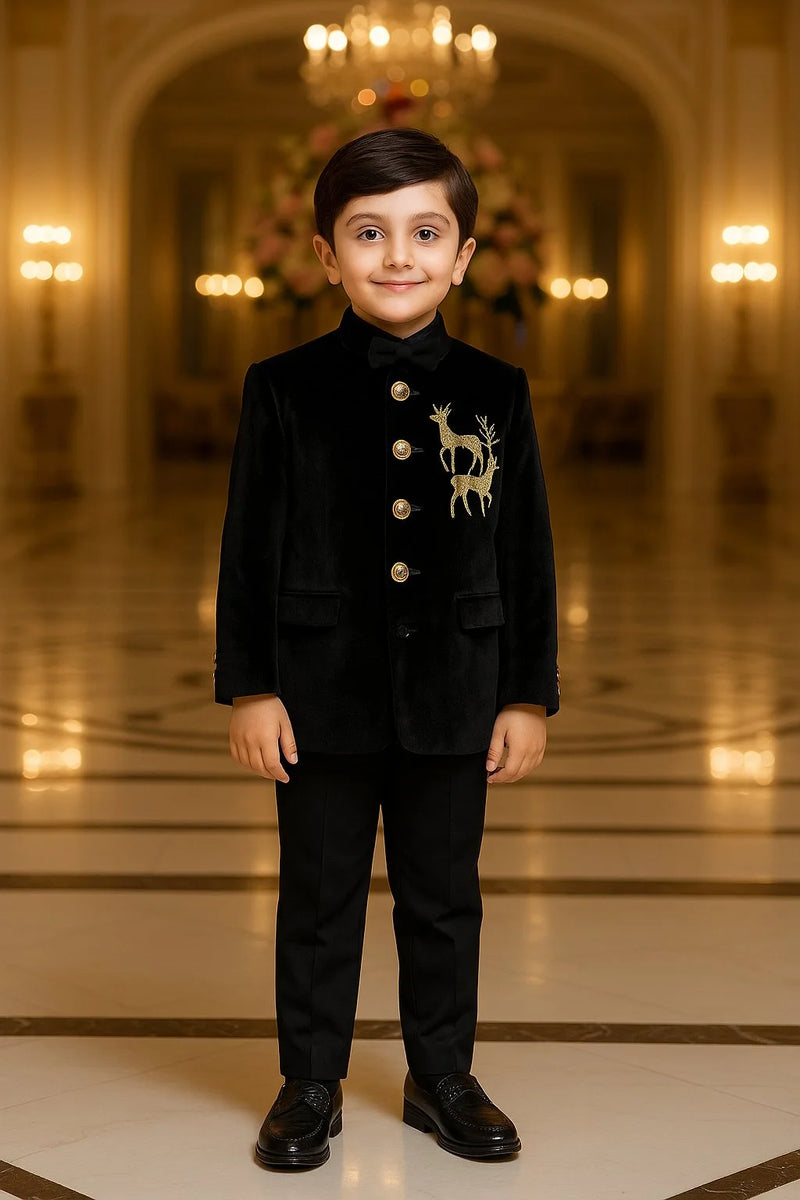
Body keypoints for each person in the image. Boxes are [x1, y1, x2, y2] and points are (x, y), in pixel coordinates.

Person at [213, 126, 560, 1170]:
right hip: (319, 694)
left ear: (461, 256)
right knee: (317, 896)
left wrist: (524, 694)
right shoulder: (282, 388)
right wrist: (252, 689)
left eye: (423, 233)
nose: (396, 255)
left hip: (456, 690)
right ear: (325, 253)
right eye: (368, 233)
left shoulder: (497, 392)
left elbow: (526, 546)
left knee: (442, 896)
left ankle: (440, 1074)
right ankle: (308, 1082)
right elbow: (246, 548)